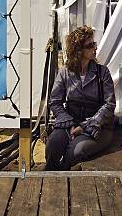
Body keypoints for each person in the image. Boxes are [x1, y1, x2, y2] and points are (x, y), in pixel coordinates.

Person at [45, 25, 116, 170]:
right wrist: (70, 124)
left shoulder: (102, 73)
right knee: (53, 145)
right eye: (90, 45)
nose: (95, 48)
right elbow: (55, 102)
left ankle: (64, 179)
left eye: (94, 44)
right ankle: (50, 179)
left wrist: (83, 127)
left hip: (98, 127)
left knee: (75, 151)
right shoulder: (65, 73)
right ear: (78, 51)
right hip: (70, 122)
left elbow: (109, 105)